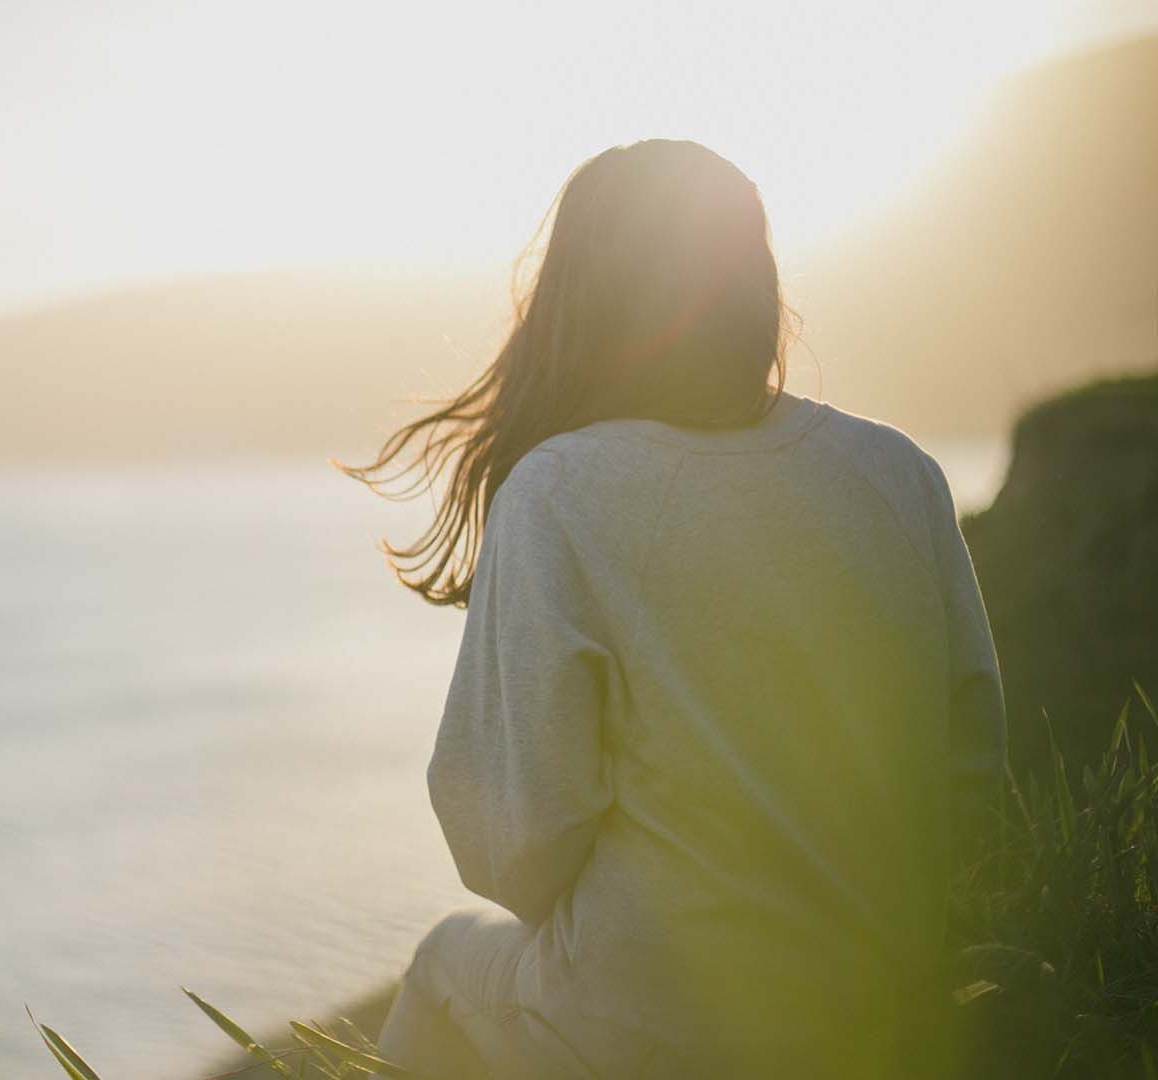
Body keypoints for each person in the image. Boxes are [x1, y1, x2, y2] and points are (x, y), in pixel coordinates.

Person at [336, 139, 1021, 1078]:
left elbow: (513, 851)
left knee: (442, 967)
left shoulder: (561, 490)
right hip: (881, 1004)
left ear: (577, 296)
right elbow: (974, 772)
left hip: (656, 1024)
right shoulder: (898, 471)